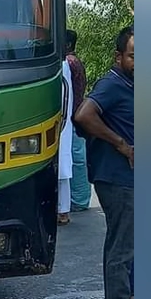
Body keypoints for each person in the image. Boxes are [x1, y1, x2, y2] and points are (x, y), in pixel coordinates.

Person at [74, 24, 134, 299]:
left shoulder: (132, 84)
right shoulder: (112, 84)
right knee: (121, 245)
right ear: (119, 56)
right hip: (117, 178)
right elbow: (83, 115)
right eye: (135, 56)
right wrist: (121, 144)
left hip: (131, 178)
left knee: (134, 243)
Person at [66, 30, 91, 213]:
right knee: (78, 158)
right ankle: (81, 198)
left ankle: (80, 200)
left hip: (72, 116)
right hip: (77, 114)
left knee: (76, 159)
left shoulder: (69, 62)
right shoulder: (76, 61)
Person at [57, 57, 74, 224]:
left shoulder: (62, 65)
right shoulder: (64, 65)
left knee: (61, 168)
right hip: (61, 121)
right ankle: (62, 210)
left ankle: (62, 211)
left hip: (60, 120)